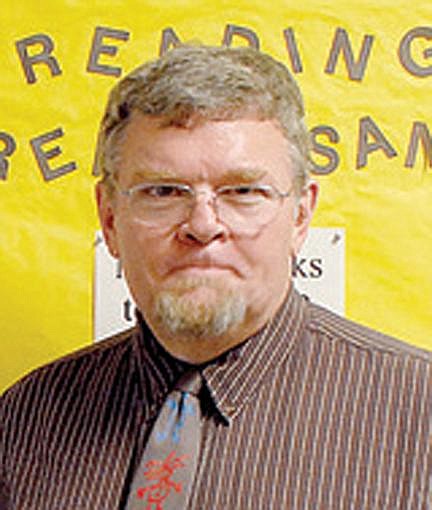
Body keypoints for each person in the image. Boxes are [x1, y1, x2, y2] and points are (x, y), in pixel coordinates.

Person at [1, 45, 430, 510]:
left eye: (243, 191)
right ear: (109, 219)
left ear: (300, 216)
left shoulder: (419, 415)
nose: (203, 225)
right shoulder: (25, 420)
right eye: (163, 192)